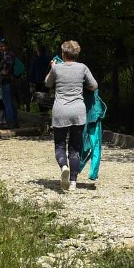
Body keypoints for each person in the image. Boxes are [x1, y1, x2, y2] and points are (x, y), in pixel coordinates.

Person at [45, 40, 98, 191]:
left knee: (60, 145)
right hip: (78, 112)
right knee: (75, 148)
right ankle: (73, 182)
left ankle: (63, 167)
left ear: (63, 53)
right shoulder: (82, 68)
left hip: (60, 111)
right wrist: (82, 85)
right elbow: (94, 85)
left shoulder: (57, 69)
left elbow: (48, 84)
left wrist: (52, 68)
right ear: (77, 54)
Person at [0, 38, 19, 128]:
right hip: (10, 81)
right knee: (11, 102)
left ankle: (10, 123)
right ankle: (14, 122)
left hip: (6, 81)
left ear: (7, 46)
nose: (0, 48)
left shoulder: (8, 55)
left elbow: (7, 69)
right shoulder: (8, 54)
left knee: (7, 102)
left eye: (2, 46)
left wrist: (0, 73)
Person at [28, 44, 52, 113]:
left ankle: (42, 113)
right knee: (46, 96)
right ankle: (46, 112)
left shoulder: (35, 60)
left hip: (38, 81)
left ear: (38, 51)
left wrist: (31, 82)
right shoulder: (49, 60)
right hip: (47, 81)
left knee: (40, 98)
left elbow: (32, 72)